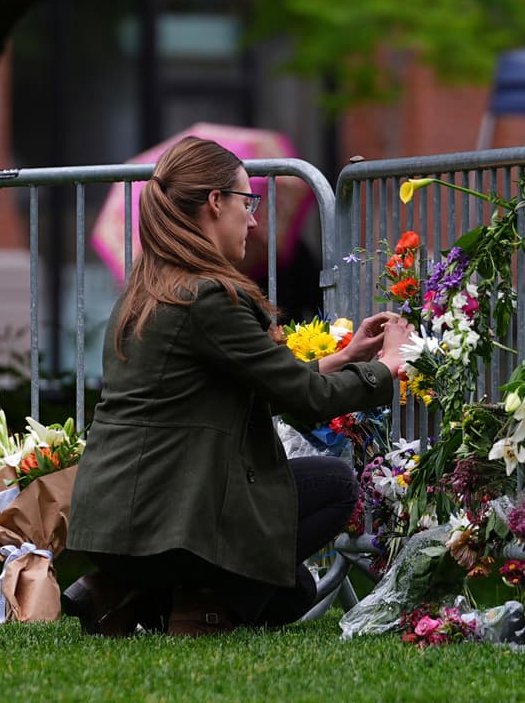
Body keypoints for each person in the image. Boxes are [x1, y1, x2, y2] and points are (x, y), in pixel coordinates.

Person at [64, 136, 411, 637]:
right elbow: (306, 401)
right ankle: (200, 606)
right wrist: (389, 366)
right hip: (166, 527)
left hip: (112, 524)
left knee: (293, 592)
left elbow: (256, 382)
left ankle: (122, 594)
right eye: (247, 203)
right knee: (334, 488)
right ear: (214, 203)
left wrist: (343, 358)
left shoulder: (144, 290)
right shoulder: (208, 297)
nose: (253, 220)